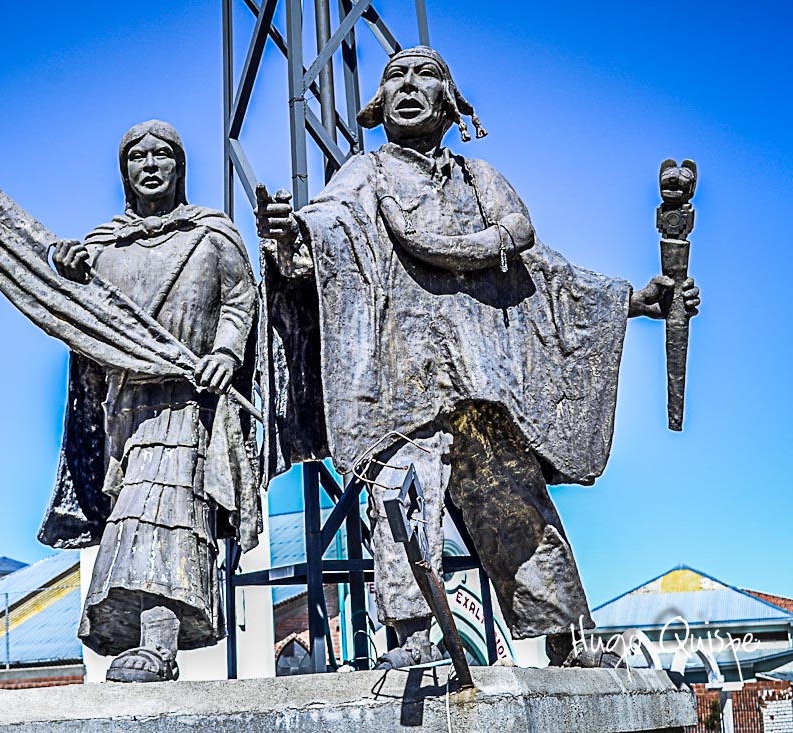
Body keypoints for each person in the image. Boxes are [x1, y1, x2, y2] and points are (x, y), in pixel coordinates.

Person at [256, 47, 699, 668]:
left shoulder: (477, 179)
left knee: (516, 503)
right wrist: (285, 238)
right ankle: (408, 636)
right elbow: (324, 237)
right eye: (396, 77)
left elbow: (544, 272)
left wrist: (632, 299)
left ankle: (569, 637)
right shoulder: (366, 176)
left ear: (450, 102)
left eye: (425, 75)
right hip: (401, 388)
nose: (409, 86)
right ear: (379, 104)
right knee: (405, 502)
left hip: (482, 383)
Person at [39, 120, 259, 682]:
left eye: (164, 155)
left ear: (181, 168)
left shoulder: (211, 235)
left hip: (188, 403)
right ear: (125, 172)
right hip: (126, 409)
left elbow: (240, 299)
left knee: (171, 515)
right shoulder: (104, 246)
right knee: (129, 522)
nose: (151, 165)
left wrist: (227, 354)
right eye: (138, 157)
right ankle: (132, 638)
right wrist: (67, 271)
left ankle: (159, 642)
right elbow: (83, 320)